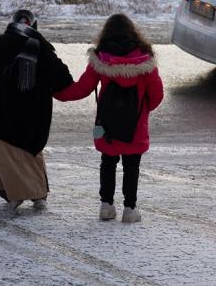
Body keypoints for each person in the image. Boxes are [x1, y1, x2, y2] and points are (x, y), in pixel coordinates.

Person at [0, 10, 73, 214]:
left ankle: (14, 194)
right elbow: (63, 80)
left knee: (4, 157)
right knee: (29, 155)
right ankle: (37, 195)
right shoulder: (41, 48)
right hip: (31, 122)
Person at [55, 14, 164, 223]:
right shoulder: (146, 61)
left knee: (108, 162)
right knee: (132, 166)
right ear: (134, 33)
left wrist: (55, 92)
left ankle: (106, 206)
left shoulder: (100, 60)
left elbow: (81, 89)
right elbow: (157, 96)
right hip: (136, 126)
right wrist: (143, 111)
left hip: (107, 124)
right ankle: (130, 210)